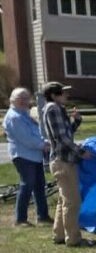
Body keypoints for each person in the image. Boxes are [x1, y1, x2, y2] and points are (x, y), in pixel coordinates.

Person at [41, 81, 95, 247]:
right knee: (73, 201)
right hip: (63, 161)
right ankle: (73, 238)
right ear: (53, 95)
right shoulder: (53, 109)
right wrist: (81, 152)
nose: (67, 95)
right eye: (63, 92)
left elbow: (66, 133)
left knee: (64, 200)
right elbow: (62, 139)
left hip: (60, 161)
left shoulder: (55, 109)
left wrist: (76, 121)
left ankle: (59, 235)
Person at [3, 87, 52, 227]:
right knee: (27, 185)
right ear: (13, 100)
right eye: (21, 98)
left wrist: (45, 142)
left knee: (39, 186)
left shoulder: (24, 114)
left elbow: (35, 134)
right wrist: (43, 146)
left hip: (34, 155)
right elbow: (26, 139)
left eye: (27, 97)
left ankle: (42, 216)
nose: (25, 101)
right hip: (23, 155)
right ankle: (20, 219)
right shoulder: (14, 117)